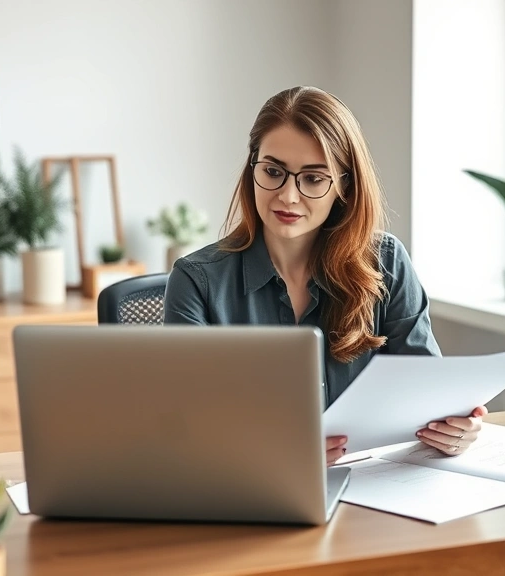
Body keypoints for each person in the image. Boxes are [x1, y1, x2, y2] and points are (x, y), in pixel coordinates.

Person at [163, 86, 487, 466]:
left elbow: (428, 394)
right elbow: (186, 425)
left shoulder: (387, 262)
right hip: (250, 494)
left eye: (314, 179)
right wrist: (278, 450)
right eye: (272, 171)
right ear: (253, 168)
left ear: (344, 186)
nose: (288, 196)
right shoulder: (196, 281)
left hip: (374, 491)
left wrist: (453, 429)